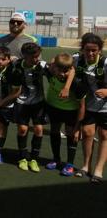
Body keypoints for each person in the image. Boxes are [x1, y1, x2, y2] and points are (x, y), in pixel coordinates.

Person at [44, 53, 85, 176]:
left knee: (70, 134)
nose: (62, 74)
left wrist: (78, 127)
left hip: (71, 111)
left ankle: (70, 164)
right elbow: (49, 62)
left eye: (65, 70)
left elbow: (82, 106)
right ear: (54, 66)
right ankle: (56, 159)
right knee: (54, 131)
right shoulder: (50, 71)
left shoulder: (76, 83)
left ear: (70, 69)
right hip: (54, 108)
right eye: (59, 69)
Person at [74, 33, 107, 183]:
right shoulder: (78, 59)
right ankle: (86, 165)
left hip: (106, 106)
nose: (91, 53)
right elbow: (56, 62)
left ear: (100, 50)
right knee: (87, 133)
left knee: (105, 135)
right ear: (82, 49)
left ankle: (99, 169)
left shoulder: (106, 63)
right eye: (87, 50)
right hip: (88, 104)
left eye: (94, 50)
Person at [10, 42, 47, 173]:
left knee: (38, 129)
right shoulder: (16, 65)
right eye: (34, 57)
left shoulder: (42, 65)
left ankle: (34, 159)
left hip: (38, 102)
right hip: (22, 102)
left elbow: (56, 69)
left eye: (38, 56)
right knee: (22, 129)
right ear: (25, 56)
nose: (37, 59)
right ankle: (23, 158)